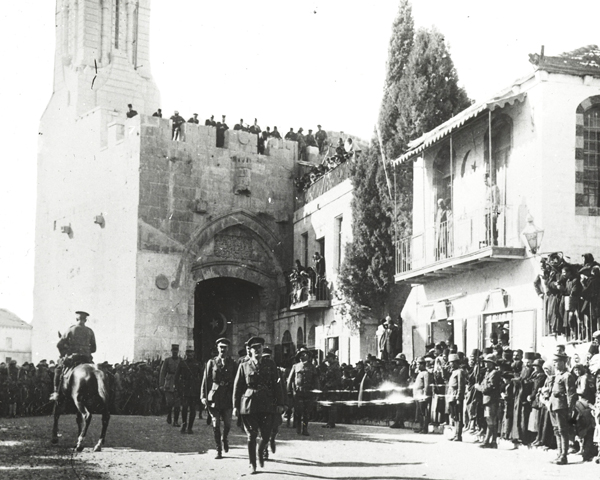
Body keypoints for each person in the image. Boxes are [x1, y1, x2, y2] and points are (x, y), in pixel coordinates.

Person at [233, 337, 284, 474]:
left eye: (259, 347)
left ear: (262, 348)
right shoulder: (243, 366)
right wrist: (235, 406)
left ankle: (260, 451)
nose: (257, 350)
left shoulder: (270, 364)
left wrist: (280, 403)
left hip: (267, 404)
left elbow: (277, 384)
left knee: (266, 435)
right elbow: (238, 387)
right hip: (249, 404)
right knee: (251, 435)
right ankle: (252, 463)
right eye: (254, 348)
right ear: (249, 350)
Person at [50, 310, 96, 401]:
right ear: (85, 320)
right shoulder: (90, 331)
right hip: (87, 358)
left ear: (76, 319)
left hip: (73, 357)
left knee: (58, 370)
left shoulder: (71, 329)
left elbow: (59, 345)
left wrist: (64, 354)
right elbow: (94, 349)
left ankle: (56, 392)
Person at [202, 338, 236, 459]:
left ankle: (224, 438)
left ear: (228, 349)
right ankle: (218, 450)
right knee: (216, 424)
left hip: (227, 397)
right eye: (221, 347)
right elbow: (205, 381)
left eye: (225, 347)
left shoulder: (233, 363)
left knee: (227, 424)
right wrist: (203, 397)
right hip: (214, 397)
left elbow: (237, 381)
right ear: (217, 348)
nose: (222, 349)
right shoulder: (211, 363)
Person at [548, 351, 577, 464]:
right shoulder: (558, 375)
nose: (555, 364)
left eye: (557, 362)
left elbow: (571, 394)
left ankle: (564, 456)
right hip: (554, 405)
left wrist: (570, 409)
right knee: (556, 430)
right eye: (554, 362)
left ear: (563, 362)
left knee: (563, 430)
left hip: (561, 406)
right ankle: (559, 453)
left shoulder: (567, 376)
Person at [475, 354, 502, 448]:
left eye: (488, 363)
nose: (486, 364)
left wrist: (479, 388)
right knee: (489, 420)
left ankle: (489, 441)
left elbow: (489, 387)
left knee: (491, 420)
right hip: (487, 399)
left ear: (493, 363)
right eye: (485, 362)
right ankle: (492, 441)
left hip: (491, 399)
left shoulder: (495, 373)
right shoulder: (488, 373)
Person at [174, 346, 202, 434]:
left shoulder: (197, 364)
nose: (189, 354)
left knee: (193, 409)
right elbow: (176, 376)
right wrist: (178, 387)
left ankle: (190, 427)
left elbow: (201, 377)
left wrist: (199, 388)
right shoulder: (182, 363)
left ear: (193, 353)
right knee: (185, 408)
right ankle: (184, 424)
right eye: (188, 352)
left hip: (194, 388)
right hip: (184, 388)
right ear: (186, 353)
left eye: (191, 352)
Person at [159, 344, 182, 427]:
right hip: (169, 382)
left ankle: (175, 421)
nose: (175, 352)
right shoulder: (167, 360)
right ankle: (169, 414)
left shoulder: (181, 360)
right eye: (173, 351)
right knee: (169, 402)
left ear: (178, 351)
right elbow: (162, 373)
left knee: (177, 404)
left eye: (176, 351)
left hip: (178, 383)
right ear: (171, 351)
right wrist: (161, 384)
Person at [447, 353, 466, 441]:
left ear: (455, 363)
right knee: (454, 415)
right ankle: (455, 434)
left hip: (456, 396)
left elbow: (461, 386)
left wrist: (458, 398)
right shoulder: (453, 371)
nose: (450, 364)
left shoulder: (460, 371)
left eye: (451, 362)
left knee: (458, 415)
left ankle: (458, 435)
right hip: (451, 395)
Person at [412, 357, 432, 433]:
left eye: (418, 364)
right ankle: (420, 426)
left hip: (422, 395)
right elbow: (411, 375)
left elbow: (426, 385)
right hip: (417, 395)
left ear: (422, 365)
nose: (417, 366)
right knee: (419, 412)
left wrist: (425, 395)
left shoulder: (425, 373)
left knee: (424, 412)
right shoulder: (419, 373)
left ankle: (425, 428)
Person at [484, 173, 500, 246]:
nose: (485, 182)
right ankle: (489, 241)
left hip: (491, 210)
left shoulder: (494, 188)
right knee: (488, 227)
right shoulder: (487, 189)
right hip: (486, 211)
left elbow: (496, 200)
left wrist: (494, 211)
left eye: (486, 180)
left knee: (492, 226)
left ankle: (494, 241)